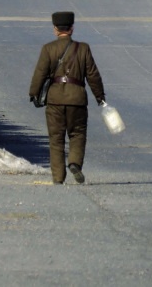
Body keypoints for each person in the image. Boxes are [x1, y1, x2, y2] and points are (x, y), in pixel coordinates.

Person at [29, 11, 105, 185]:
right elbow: (93, 75)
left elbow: (40, 73)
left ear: (55, 29)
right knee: (77, 134)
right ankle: (74, 163)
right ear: (72, 29)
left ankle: (58, 178)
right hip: (77, 99)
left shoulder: (48, 48)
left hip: (54, 99)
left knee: (56, 139)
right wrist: (99, 96)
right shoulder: (83, 48)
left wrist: (33, 93)